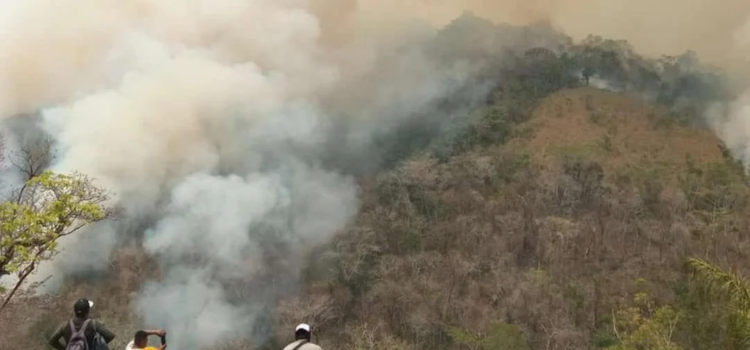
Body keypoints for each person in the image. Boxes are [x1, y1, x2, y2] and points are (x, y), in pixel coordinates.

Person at [48, 298, 116, 350]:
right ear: (87, 311)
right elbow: (110, 336)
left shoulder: (65, 325)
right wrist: (98, 345)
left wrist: (65, 348)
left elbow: (52, 341)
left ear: (75, 311)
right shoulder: (93, 324)